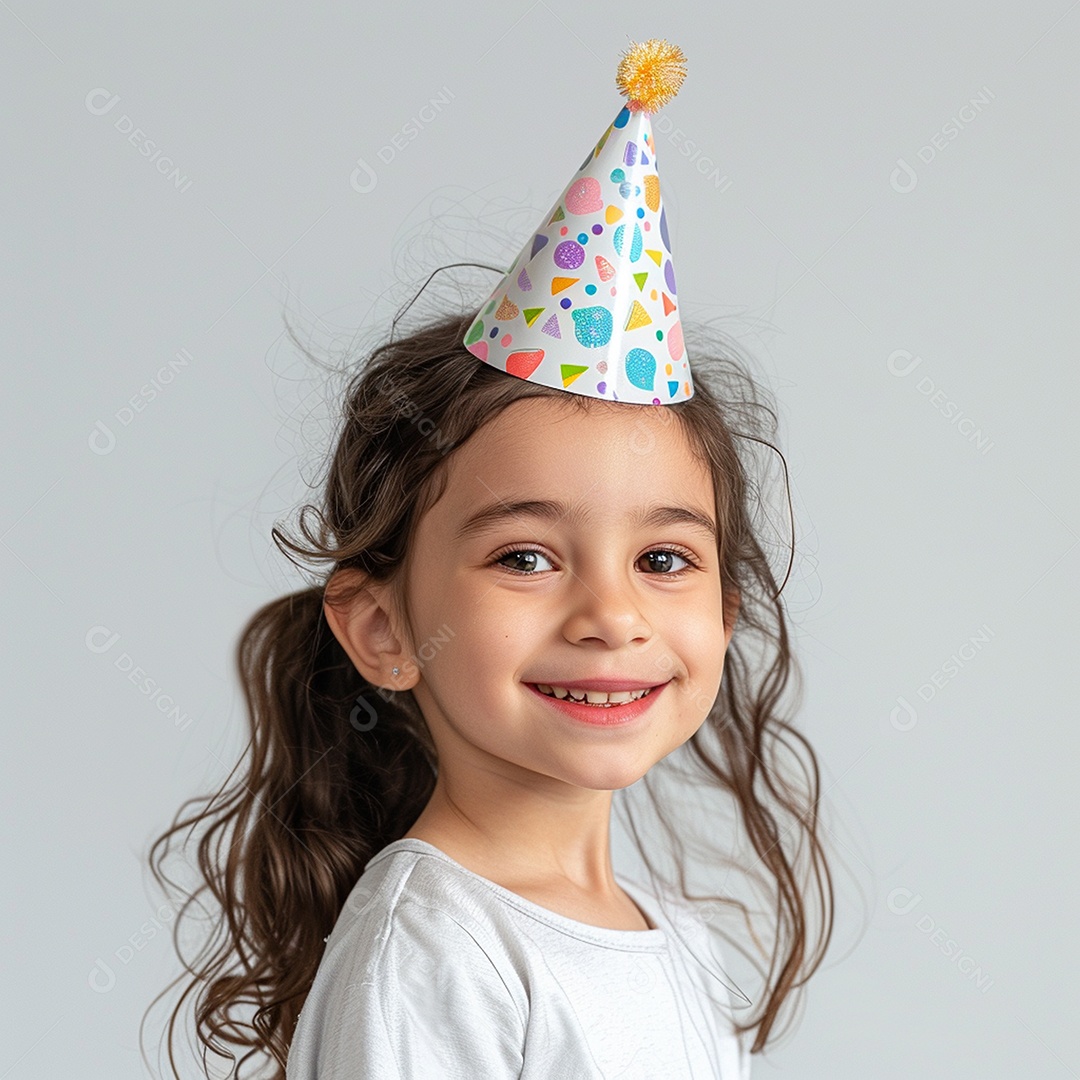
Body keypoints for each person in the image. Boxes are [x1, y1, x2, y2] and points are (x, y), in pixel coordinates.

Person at [146, 38, 834, 1080]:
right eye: (524, 556)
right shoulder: (436, 951)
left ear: (726, 615)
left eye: (662, 559)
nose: (611, 613)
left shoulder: (676, 943)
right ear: (384, 629)